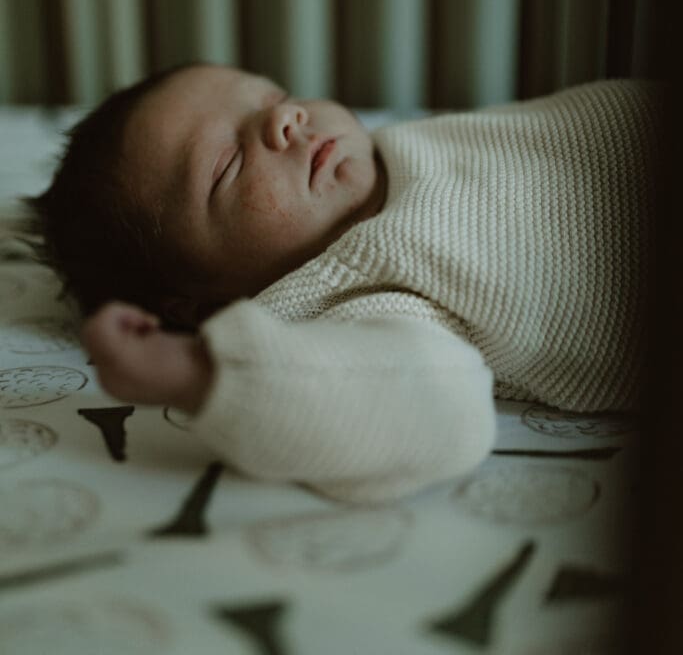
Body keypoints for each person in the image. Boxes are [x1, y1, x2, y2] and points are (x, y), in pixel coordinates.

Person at [27, 64, 660, 502]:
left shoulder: (403, 142)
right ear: (202, 303)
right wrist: (201, 371)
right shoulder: (353, 295)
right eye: (228, 164)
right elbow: (434, 407)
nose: (285, 122)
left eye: (273, 96)